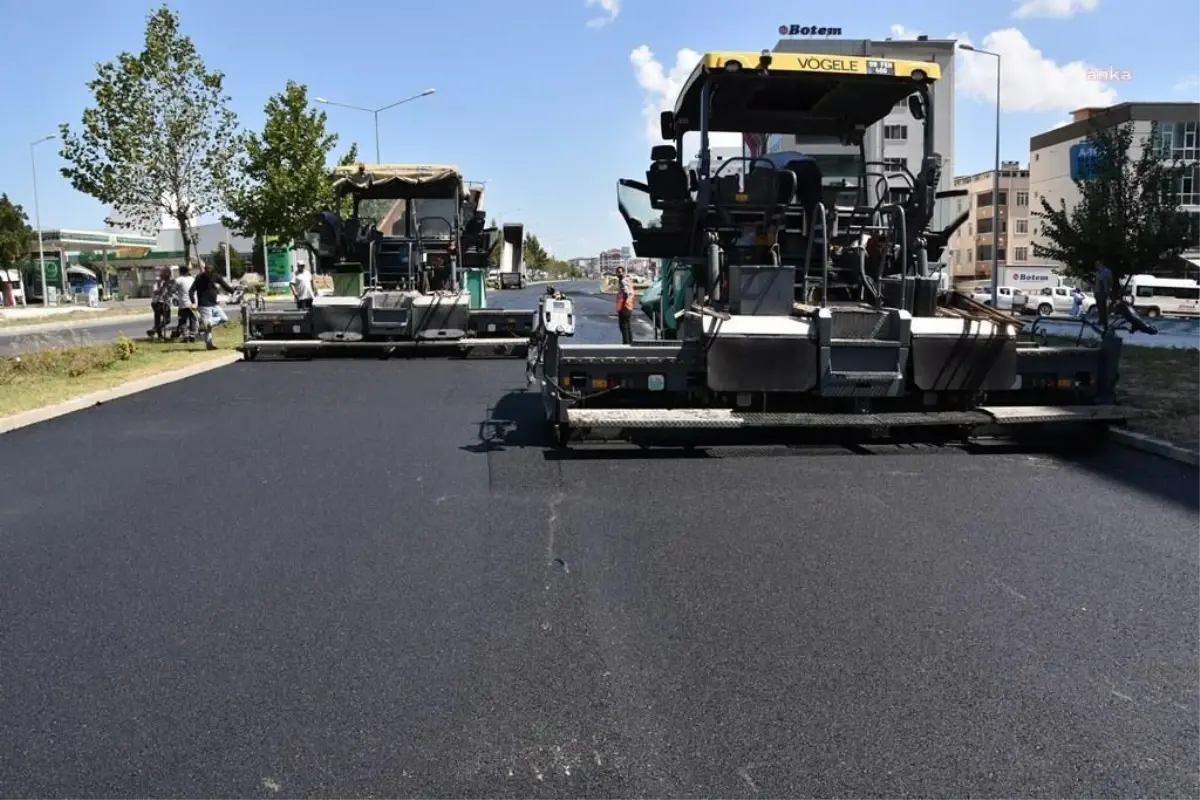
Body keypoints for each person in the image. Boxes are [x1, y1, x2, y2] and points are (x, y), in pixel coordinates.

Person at [189, 260, 234, 350]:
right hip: (204, 305)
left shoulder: (215, 276)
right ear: (204, 269)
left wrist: (234, 291)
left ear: (212, 270)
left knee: (224, 318)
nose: (208, 271)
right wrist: (193, 302)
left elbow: (225, 285)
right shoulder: (200, 277)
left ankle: (209, 322)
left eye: (209, 270)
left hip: (214, 304)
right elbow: (191, 290)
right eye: (206, 269)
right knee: (207, 329)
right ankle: (209, 345)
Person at [171, 263, 198, 342]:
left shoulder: (179, 280)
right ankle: (192, 335)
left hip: (184, 304)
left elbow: (173, 290)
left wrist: (176, 293)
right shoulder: (193, 279)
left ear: (180, 271)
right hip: (194, 303)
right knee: (193, 319)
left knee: (182, 320)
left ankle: (185, 336)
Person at [147, 267, 173, 339]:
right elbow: (156, 292)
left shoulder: (169, 282)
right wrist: (163, 287)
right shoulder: (157, 283)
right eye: (166, 276)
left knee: (167, 320)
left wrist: (170, 288)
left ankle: (154, 330)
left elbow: (171, 293)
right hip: (157, 302)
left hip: (166, 303)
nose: (167, 277)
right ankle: (160, 335)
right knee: (157, 320)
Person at [615, 266, 635, 345]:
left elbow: (627, 293)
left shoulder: (623, 281)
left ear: (623, 272)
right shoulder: (627, 280)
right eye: (617, 272)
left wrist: (623, 304)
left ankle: (626, 345)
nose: (619, 274)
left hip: (625, 306)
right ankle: (630, 343)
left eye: (620, 272)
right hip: (628, 306)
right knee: (627, 326)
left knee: (623, 327)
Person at [1094, 259, 1114, 330]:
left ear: (1101, 264)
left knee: (1104, 307)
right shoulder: (1097, 272)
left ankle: (1105, 322)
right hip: (1097, 291)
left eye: (1097, 264)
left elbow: (1110, 281)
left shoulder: (1107, 271)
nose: (1096, 266)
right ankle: (1101, 320)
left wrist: (1107, 289)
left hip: (1104, 292)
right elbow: (1096, 282)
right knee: (1099, 307)